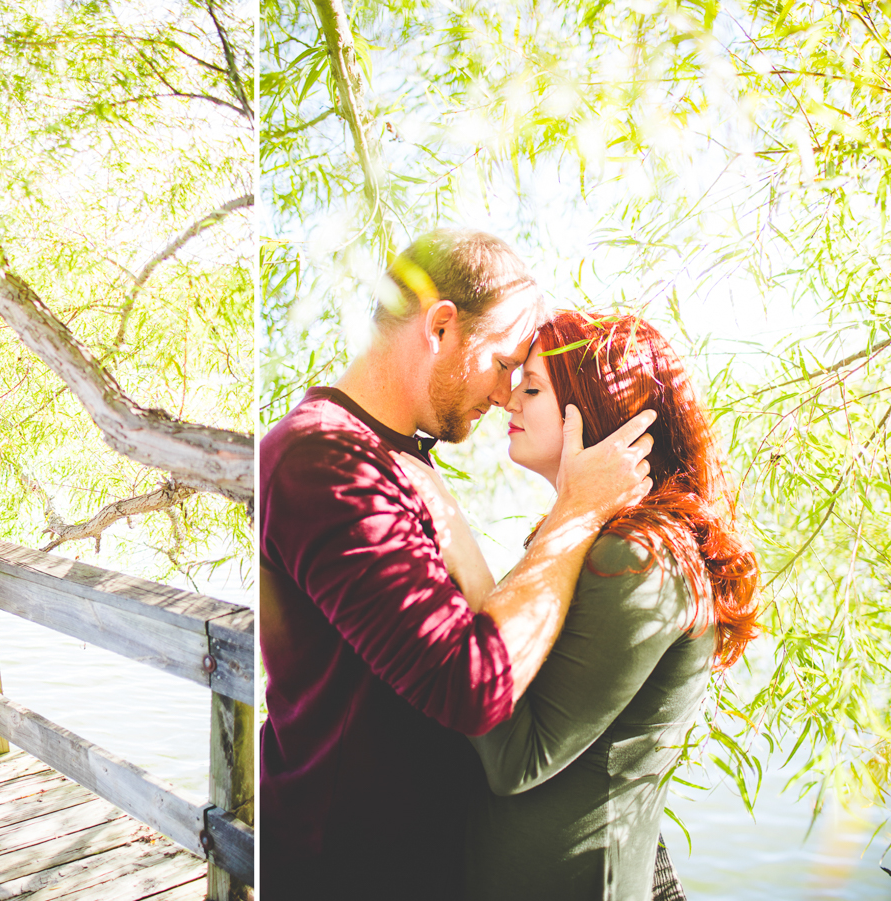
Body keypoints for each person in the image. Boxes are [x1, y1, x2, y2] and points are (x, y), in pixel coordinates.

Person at [258, 229, 657, 898]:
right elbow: (473, 682)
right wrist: (578, 514)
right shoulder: (324, 460)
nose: (508, 394)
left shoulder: (391, 457)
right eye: (505, 363)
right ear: (441, 327)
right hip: (345, 871)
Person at [414, 311, 759, 900]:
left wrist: (455, 557)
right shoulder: (599, 543)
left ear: (595, 409)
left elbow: (518, 757)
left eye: (532, 388)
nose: (508, 402)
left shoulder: (638, 558)